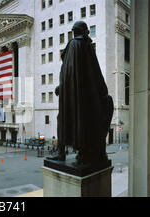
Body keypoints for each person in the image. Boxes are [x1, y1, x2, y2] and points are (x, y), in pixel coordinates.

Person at [50, 21, 114, 166]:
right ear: (84, 31)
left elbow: (70, 72)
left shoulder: (74, 45)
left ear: (74, 32)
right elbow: (94, 72)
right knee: (75, 121)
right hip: (78, 95)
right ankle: (75, 153)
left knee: (64, 121)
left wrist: (62, 87)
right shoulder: (85, 46)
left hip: (71, 96)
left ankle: (64, 153)